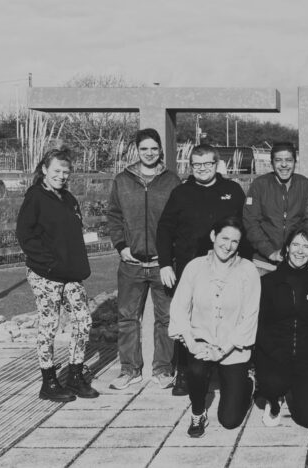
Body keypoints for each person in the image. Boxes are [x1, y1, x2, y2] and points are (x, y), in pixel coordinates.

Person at [157, 144, 247, 396]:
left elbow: (243, 229)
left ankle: (226, 369)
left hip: (227, 268)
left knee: (227, 315)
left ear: (216, 164)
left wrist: (245, 266)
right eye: (197, 165)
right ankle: (185, 371)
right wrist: (165, 263)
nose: (203, 169)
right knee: (189, 320)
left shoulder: (232, 190)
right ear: (190, 166)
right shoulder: (181, 193)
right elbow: (165, 228)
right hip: (190, 269)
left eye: (208, 164)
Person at [16, 148, 99, 402]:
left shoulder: (69, 199)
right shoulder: (35, 198)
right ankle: (49, 381)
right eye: (56, 171)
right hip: (46, 275)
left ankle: (75, 375)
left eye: (65, 171)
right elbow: (25, 235)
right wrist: (48, 264)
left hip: (70, 274)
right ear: (44, 169)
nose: (61, 176)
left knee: (83, 321)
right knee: (49, 326)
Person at [168, 217, 260, 438]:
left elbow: (249, 317)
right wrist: (190, 342)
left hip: (233, 346)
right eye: (224, 238)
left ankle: (248, 382)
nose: (228, 246)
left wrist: (222, 349)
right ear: (213, 236)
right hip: (202, 340)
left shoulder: (248, 270)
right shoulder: (195, 267)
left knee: (230, 421)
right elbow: (179, 307)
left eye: (234, 242)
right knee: (197, 370)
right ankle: (198, 412)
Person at [106, 129, 182, 391]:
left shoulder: (172, 181)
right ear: (136, 150)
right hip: (132, 263)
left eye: (154, 148)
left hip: (162, 264)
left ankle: (162, 369)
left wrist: (170, 251)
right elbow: (114, 216)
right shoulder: (122, 180)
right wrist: (121, 245)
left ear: (161, 150)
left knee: (167, 318)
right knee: (127, 317)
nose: (149, 153)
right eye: (144, 148)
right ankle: (129, 369)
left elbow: (180, 220)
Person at [254, 226, 308, 429]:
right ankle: (274, 401)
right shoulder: (268, 282)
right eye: (296, 244)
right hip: (274, 352)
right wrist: (272, 352)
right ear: (287, 248)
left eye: (306, 246)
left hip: (305, 354)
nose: (300, 251)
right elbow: (259, 325)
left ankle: (294, 388)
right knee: (274, 384)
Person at [243, 142, 308, 275]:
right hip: (264, 262)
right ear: (272, 163)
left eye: (289, 160)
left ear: (295, 162)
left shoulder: (306, 185)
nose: (284, 165)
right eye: (278, 160)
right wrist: (269, 252)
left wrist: (296, 250)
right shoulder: (259, 185)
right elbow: (250, 222)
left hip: (297, 261)